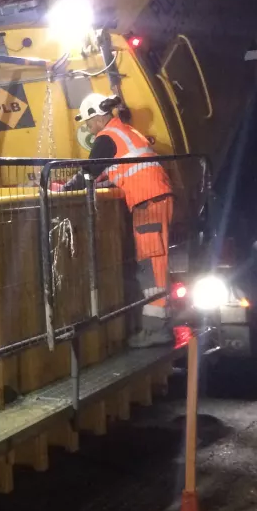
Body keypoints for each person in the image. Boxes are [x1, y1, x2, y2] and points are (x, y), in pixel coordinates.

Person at [60, 93, 175, 347]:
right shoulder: (124, 132)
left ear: (98, 117)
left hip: (149, 201)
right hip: (153, 196)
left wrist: (62, 190)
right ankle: (159, 325)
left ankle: (156, 329)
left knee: (151, 265)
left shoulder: (107, 138)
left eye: (89, 123)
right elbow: (112, 172)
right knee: (152, 263)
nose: (88, 129)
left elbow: (88, 172)